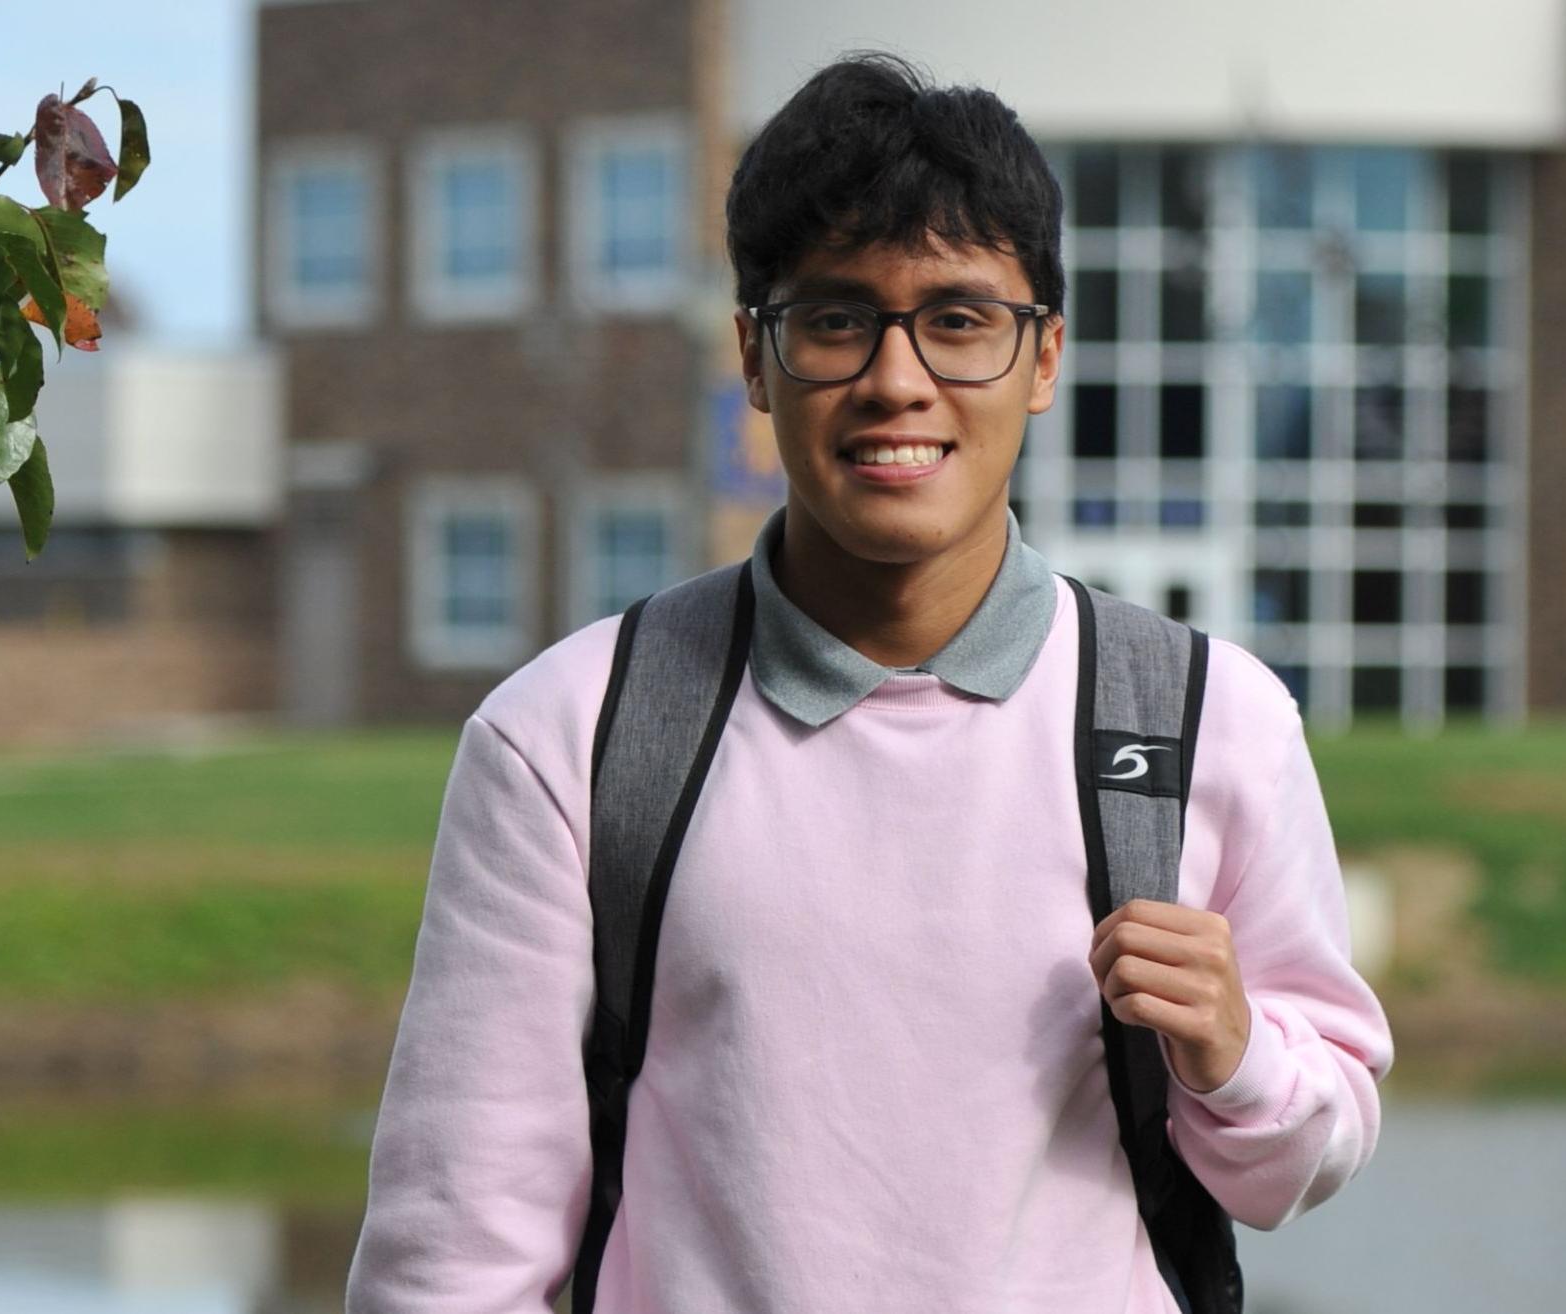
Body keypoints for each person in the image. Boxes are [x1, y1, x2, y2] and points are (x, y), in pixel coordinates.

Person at [341, 52, 1392, 1314]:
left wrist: (1231, 1055)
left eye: (958, 319)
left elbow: (1299, 1162)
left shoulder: (1208, 721)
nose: (898, 379)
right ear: (752, 354)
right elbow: (452, 1261)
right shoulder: (564, 739)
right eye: (836, 319)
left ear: (1044, 358)